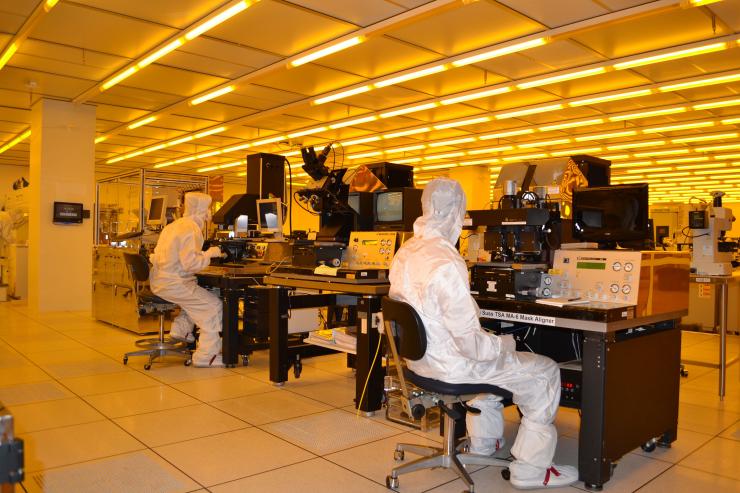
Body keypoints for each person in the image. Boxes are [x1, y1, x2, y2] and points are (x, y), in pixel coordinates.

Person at [388, 178, 578, 489]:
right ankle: (531, 469)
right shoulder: (446, 262)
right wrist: (505, 343)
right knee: (544, 371)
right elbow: (472, 346)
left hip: (420, 363)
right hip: (454, 366)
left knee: (495, 366)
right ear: (457, 213)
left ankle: (483, 442)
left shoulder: (405, 252)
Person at [149, 192, 225, 367]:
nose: (210, 213)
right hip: (174, 283)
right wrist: (211, 254)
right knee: (213, 306)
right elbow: (191, 264)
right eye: (209, 208)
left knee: (199, 297)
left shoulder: (174, 226)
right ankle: (207, 356)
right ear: (202, 209)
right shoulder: (191, 229)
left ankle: (181, 330)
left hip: (161, 280)